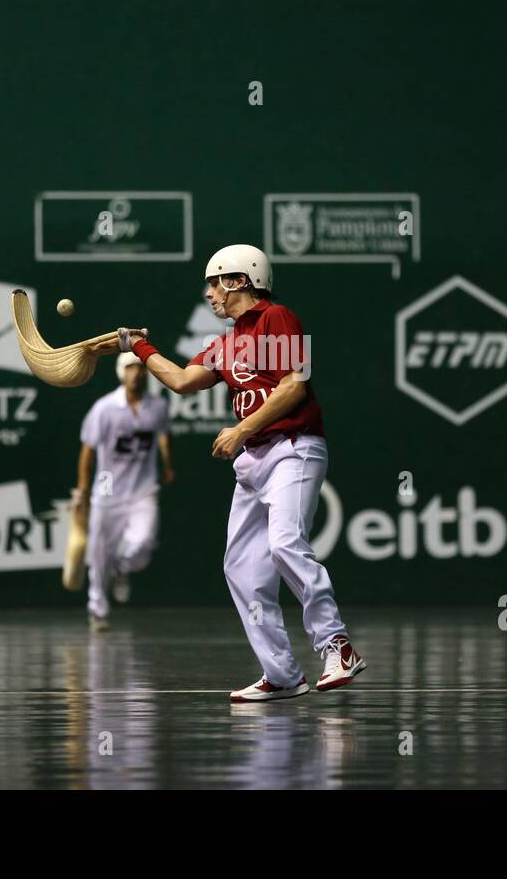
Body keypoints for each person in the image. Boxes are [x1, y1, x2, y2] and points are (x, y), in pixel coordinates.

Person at [123, 244, 365, 701]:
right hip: (254, 462)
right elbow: (180, 380)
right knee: (240, 567)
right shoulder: (225, 343)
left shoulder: (277, 318)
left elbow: (295, 384)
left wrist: (241, 429)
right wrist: (138, 345)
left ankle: (338, 646)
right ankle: (282, 674)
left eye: (214, 282)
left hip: (294, 449)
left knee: (285, 544)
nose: (209, 292)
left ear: (240, 280)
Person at [74, 351, 173, 631]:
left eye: (141, 368)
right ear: (121, 372)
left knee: (142, 543)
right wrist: (83, 489)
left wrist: (168, 463)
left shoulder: (158, 406)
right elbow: (88, 450)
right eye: (130, 368)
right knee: (98, 554)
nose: (136, 373)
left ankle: (122, 569)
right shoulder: (104, 408)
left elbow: (165, 435)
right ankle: (98, 611)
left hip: (144, 488)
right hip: (107, 491)